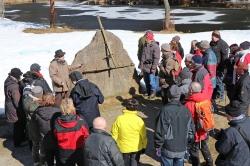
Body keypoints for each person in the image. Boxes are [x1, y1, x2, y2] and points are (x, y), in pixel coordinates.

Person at [155, 85, 195, 166]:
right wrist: (188, 145)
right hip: (182, 147)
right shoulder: (186, 111)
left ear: (168, 96)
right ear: (180, 95)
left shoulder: (165, 110)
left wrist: (158, 145)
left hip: (168, 147)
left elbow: (160, 130)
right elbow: (191, 130)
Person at [111, 98, 147, 166]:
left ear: (126, 106)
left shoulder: (119, 119)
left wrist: (113, 145)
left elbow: (114, 134)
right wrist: (144, 146)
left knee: (124, 162)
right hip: (136, 147)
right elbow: (143, 136)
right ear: (137, 107)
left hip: (123, 147)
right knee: (134, 161)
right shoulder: (139, 120)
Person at [54, 98, 89, 166]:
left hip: (64, 152)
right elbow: (86, 135)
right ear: (72, 107)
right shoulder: (80, 121)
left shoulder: (57, 122)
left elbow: (55, 135)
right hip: (79, 150)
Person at [185, 82, 213, 166]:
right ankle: (210, 162)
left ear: (191, 90)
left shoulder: (188, 104)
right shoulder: (206, 99)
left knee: (194, 151)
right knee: (204, 147)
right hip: (204, 130)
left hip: (195, 133)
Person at [214, 100, 250, 166]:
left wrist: (220, 137)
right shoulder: (248, 120)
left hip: (236, 162)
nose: (225, 115)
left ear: (230, 116)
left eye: (226, 114)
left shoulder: (230, 132)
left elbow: (221, 149)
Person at [31, 93, 60, 166]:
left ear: (43, 100)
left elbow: (34, 128)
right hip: (56, 139)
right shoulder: (58, 111)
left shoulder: (37, 112)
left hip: (44, 140)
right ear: (53, 100)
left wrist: (37, 139)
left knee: (46, 157)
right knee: (57, 157)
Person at [4, 68, 26, 147]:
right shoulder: (14, 86)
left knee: (18, 125)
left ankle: (20, 139)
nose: (20, 76)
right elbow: (17, 101)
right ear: (16, 76)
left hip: (10, 107)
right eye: (19, 75)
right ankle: (18, 142)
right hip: (14, 109)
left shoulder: (8, 80)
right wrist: (22, 109)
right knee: (18, 125)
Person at [140, 31, 160, 99]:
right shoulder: (145, 45)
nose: (145, 39)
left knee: (152, 81)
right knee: (146, 80)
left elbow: (156, 58)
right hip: (145, 67)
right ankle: (148, 92)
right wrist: (141, 65)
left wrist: (153, 68)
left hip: (151, 67)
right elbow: (143, 56)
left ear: (150, 38)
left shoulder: (155, 47)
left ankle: (153, 93)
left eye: (146, 38)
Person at [210, 30, 229, 100]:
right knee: (214, 81)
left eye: (214, 36)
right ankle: (215, 94)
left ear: (218, 37)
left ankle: (221, 96)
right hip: (213, 65)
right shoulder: (212, 43)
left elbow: (225, 57)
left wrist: (223, 68)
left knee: (219, 81)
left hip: (220, 66)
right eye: (212, 36)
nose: (213, 37)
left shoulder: (223, 44)